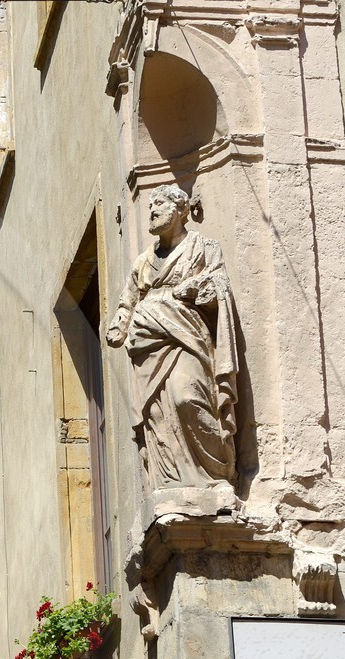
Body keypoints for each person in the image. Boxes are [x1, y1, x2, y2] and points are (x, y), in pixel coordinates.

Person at [105, 184, 240, 511]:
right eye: (149, 204)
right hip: (147, 347)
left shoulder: (203, 247)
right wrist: (120, 322)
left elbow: (218, 285)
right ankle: (171, 481)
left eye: (160, 204)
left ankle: (216, 470)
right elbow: (128, 301)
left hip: (186, 337)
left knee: (188, 396)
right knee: (157, 415)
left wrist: (192, 287)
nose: (151, 210)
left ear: (181, 210)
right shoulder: (143, 261)